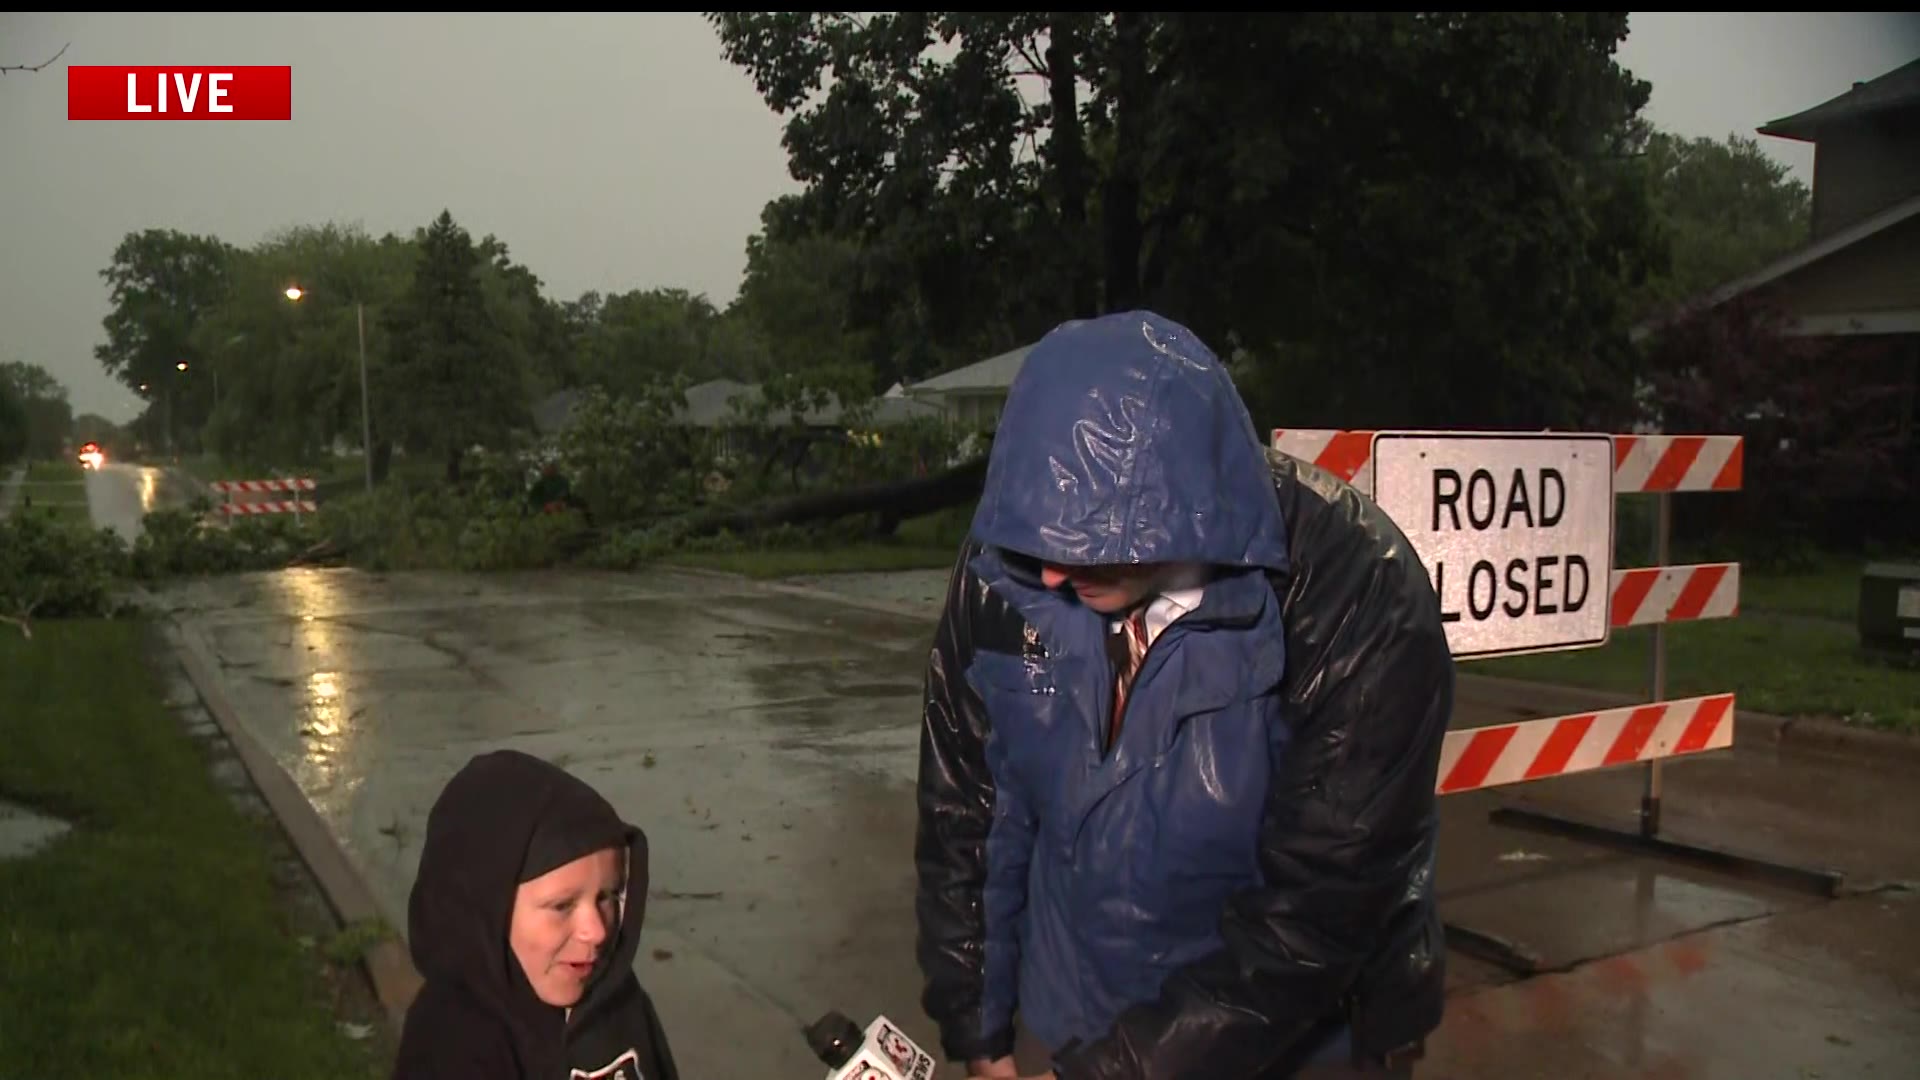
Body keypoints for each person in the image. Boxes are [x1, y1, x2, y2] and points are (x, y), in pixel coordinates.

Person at [913, 310, 1453, 1079]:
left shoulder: (1357, 591)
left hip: (1294, 1040)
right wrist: (979, 1033)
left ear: (1193, 502)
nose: (1057, 577)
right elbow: (965, 813)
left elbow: (1318, 912)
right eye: (1046, 548)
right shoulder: (1012, 557)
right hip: (1064, 1019)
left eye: (1097, 546)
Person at [393, 748, 680, 1080]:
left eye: (608, 896)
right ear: (487, 912)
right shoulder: (450, 1043)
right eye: (562, 905)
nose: (597, 931)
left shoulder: (620, 1002)